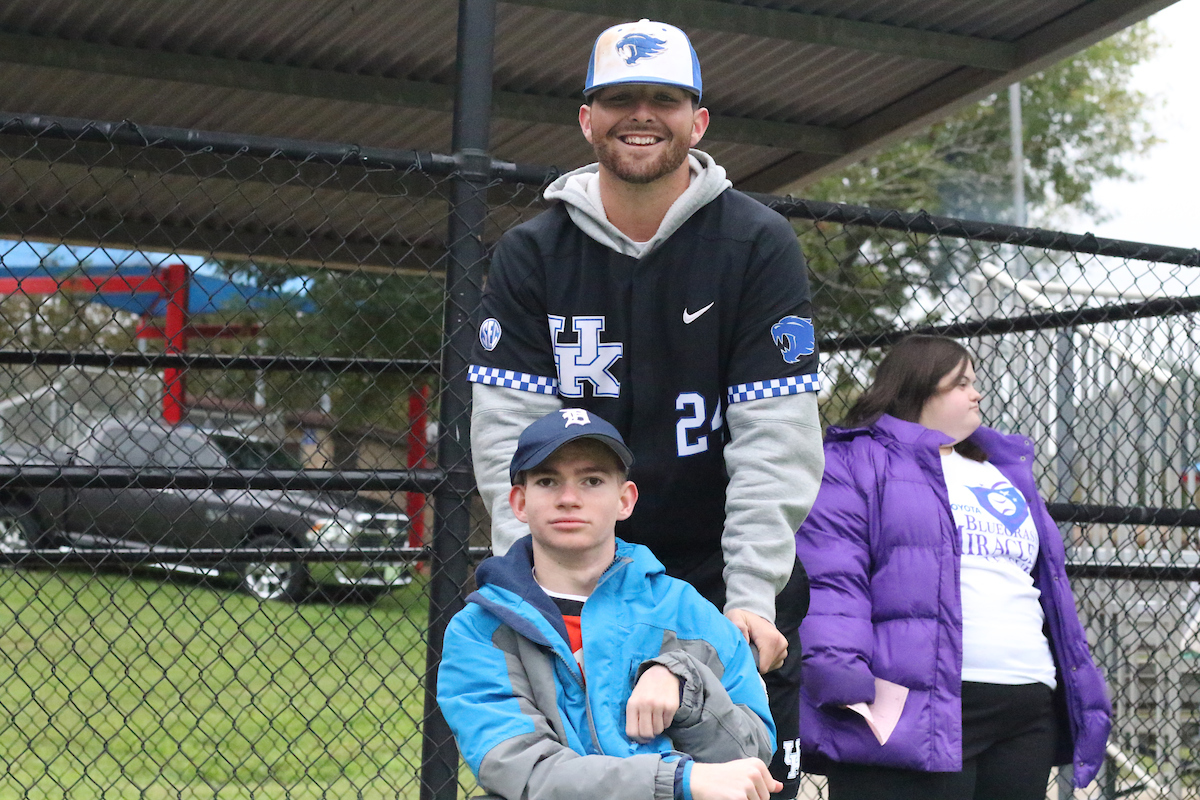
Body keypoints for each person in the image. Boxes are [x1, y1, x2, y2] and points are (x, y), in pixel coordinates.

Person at [467, 20, 823, 795]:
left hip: (718, 572)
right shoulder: (532, 252)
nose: (641, 113)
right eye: (619, 97)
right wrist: (534, 590)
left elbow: (775, 436)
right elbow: (507, 443)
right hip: (587, 574)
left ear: (697, 121)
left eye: (664, 97)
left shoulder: (757, 244)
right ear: (586, 118)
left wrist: (752, 597)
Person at [794, 335, 1112, 800]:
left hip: (1025, 702)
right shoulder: (856, 459)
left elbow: (1044, 585)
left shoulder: (1004, 470)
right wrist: (844, 683)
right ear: (918, 386)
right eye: (961, 383)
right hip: (915, 706)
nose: (976, 394)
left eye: (975, 382)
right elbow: (833, 577)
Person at [438, 408, 780, 800]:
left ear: (624, 500)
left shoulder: (687, 611)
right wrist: (673, 780)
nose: (569, 498)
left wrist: (687, 685)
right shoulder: (482, 630)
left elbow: (751, 754)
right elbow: (525, 771)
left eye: (592, 480)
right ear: (519, 502)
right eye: (548, 481)